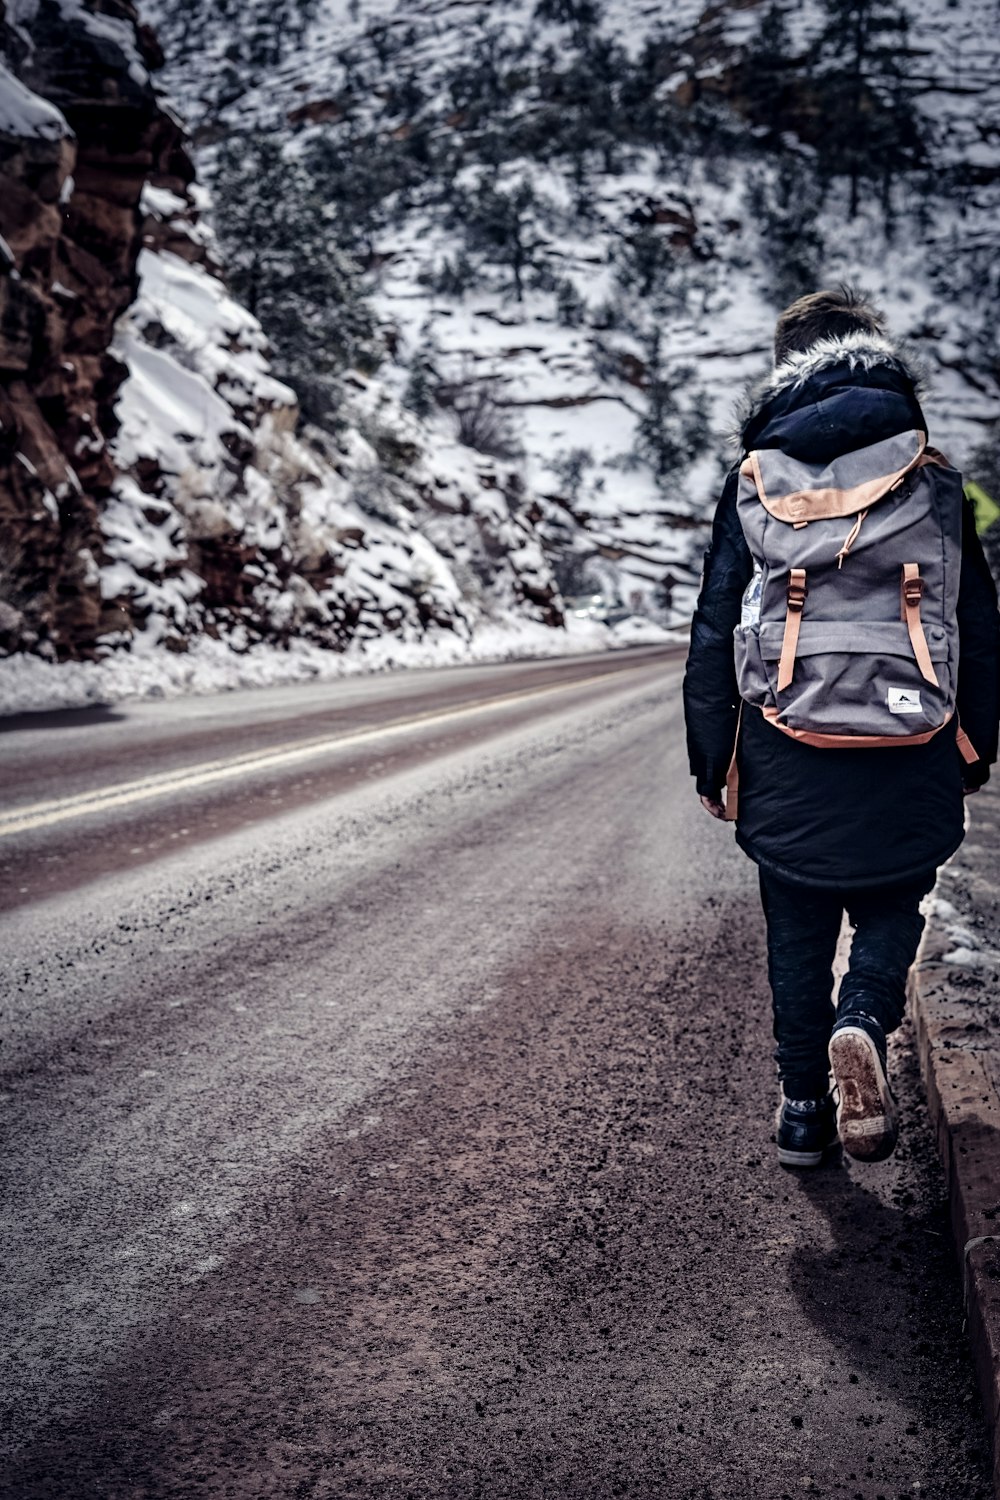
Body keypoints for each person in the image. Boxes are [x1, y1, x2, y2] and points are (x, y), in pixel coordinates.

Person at [683, 287, 1000, 1167]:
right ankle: (861, 1015)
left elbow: (715, 625)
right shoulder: (933, 476)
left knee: (796, 916)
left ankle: (802, 1110)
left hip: (786, 739)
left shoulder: (752, 480)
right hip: (914, 727)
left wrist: (713, 757)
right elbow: (976, 611)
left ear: (784, 370)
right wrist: (975, 743)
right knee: (897, 894)